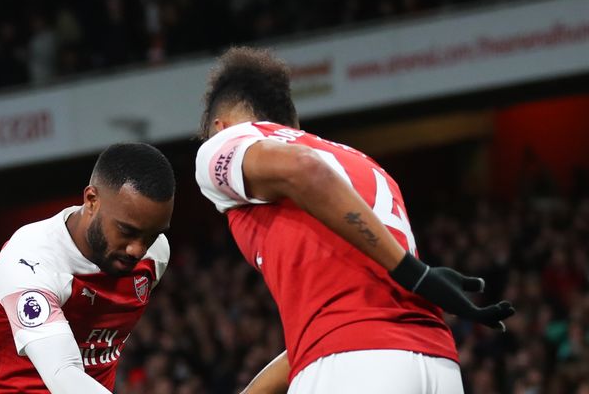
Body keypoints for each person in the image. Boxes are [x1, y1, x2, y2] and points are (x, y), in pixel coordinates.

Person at [194, 47, 515, 394]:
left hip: (355, 362)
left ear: (220, 125)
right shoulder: (364, 163)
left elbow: (303, 168)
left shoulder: (229, 141)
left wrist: (412, 271)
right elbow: (331, 327)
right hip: (436, 366)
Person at [0, 143, 175, 393]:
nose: (137, 249)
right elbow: (63, 373)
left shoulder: (155, 254)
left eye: (152, 235)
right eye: (127, 231)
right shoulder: (29, 261)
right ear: (92, 200)